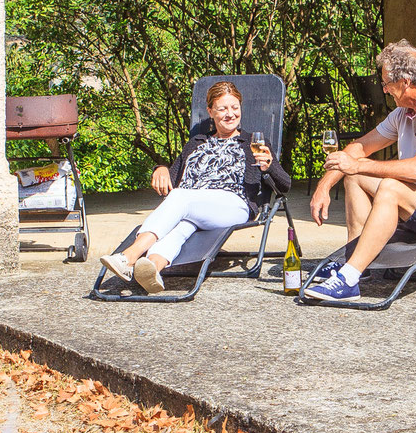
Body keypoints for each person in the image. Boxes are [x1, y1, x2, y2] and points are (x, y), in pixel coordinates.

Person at [303, 40, 416, 303]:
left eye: (387, 83)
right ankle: (355, 261)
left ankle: (349, 278)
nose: (385, 89)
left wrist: (360, 164)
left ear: (406, 81)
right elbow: (359, 148)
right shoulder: (403, 113)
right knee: (355, 176)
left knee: (390, 186)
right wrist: (325, 185)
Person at [99, 80, 291, 294]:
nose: (230, 114)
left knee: (181, 198)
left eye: (235, 108)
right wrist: (160, 168)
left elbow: (285, 185)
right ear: (210, 111)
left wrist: (269, 166)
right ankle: (152, 267)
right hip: (192, 207)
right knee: (181, 226)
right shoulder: (195, 143)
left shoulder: (253, 143)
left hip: (232, 206)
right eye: (222, 109)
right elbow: (172, 176)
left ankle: (129, 257)